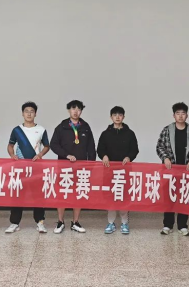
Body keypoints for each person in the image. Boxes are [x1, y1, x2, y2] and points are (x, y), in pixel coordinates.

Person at [156, 102, 189, 237]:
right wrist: (165, 158)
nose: (180, 116)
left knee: (184, 197)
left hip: (187, 171)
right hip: (170, 170)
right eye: (178, 113)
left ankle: (183, 225)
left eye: (183, 113)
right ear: (174, 115)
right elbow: (159, 147)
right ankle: (167, 225)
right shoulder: (167, 130)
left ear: (187, 115)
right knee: (169, 197)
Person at [50, 100, 96, 234]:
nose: (76, 111)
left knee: (78, 193)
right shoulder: (62, 127)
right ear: (68, 110)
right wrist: (66, 155)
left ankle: (75, 222)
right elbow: (54, 145)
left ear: (81, 111)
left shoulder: (85, 127)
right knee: (62, 193)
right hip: (64, 167)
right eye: (73, 108)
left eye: (78, 109)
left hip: (81, 168)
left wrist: (91, 165)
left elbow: (91, 147)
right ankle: (60, 221)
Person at [6, 102, 51, 234]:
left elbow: (47, 146)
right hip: (20, 168)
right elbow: (10, 145)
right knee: (18, 194)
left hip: (36, 168)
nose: (29, 114)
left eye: (32, 111)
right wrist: (12, 155)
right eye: (26, 111)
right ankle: (14, 223)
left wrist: (40, 154)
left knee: (38, 195)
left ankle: (40, 222)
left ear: (35, 114)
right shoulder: (17, 130)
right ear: (22, 113)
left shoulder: (41, 129)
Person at [98, 106, 139, 235]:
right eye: (115, 115)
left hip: (124, 170)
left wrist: (129, 157)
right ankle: (111, 222)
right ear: (111, 117)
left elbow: (134, 149)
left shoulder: (130, 133)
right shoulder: (105, 134)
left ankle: (124, 223)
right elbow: (100, 149)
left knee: (123, 196)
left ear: (123, 117)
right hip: (109, 170)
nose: (117, 117)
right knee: (110, 196)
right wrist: (104, 156)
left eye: (120, 115)